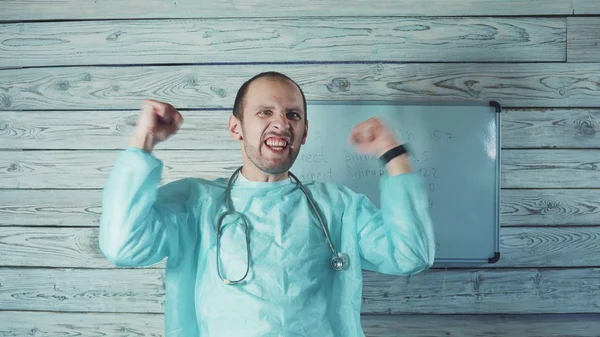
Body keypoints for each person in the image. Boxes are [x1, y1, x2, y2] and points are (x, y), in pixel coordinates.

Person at [99, 71, 435, 336]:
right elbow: (123, 246)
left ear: (304, 133)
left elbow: (411, 255)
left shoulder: (339, 206)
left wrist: (393, 154)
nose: (281, 123)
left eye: (293, 114)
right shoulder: (195, 203)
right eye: (265, 112)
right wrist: (143, 139)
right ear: (237, 128)